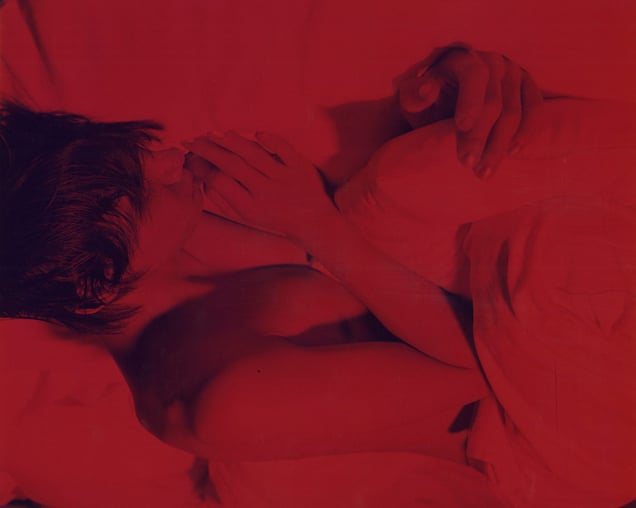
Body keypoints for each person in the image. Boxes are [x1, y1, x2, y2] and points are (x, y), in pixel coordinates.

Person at [1, 46, 634, 506]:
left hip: (486, 334)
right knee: (499, 229)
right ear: (96, 284)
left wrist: (447, 94)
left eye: (136, 155)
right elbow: (484, 369)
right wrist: (316, 225)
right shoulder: (219, 400)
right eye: (143, 188)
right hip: (551, 427)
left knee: (428, 170)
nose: (169, 160)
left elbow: (362, 255)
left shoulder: (167, 245)